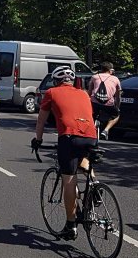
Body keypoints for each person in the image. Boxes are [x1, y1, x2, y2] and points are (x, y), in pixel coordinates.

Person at [32, 65, 97, 241]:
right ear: (71, 80)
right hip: (91, 136)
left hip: (69, 137)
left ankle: (71, 225)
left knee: (69, 179)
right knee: (84, 159)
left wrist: (38, 140)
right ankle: (94, 184)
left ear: (56, 81)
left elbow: (41, 121)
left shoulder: (51, 92)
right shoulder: (83, 93)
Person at [88, 62, 122, 140]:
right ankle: (106, 130)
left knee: (92, 114)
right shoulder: (115, 79)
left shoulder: (95, 77)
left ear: (101, 69)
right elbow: (118, 96)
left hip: (95, 102)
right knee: (116, 115)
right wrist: (117, 106)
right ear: (111, 70)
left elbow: (89, 92)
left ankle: (92, 127)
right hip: (108, 104)